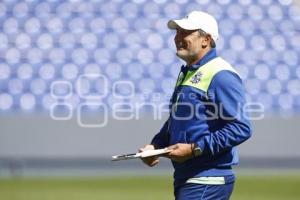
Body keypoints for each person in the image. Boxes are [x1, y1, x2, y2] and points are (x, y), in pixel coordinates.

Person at [139, 11, 252, 200]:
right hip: (191, 179)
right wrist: (156, 146)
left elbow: (241, 128)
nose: (177, 38)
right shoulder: (188, 72)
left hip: (207, 180)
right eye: (177, 32)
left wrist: (194, 149)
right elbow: (178, 119)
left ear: (206, 40)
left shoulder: (221, 75)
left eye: (185, 32)